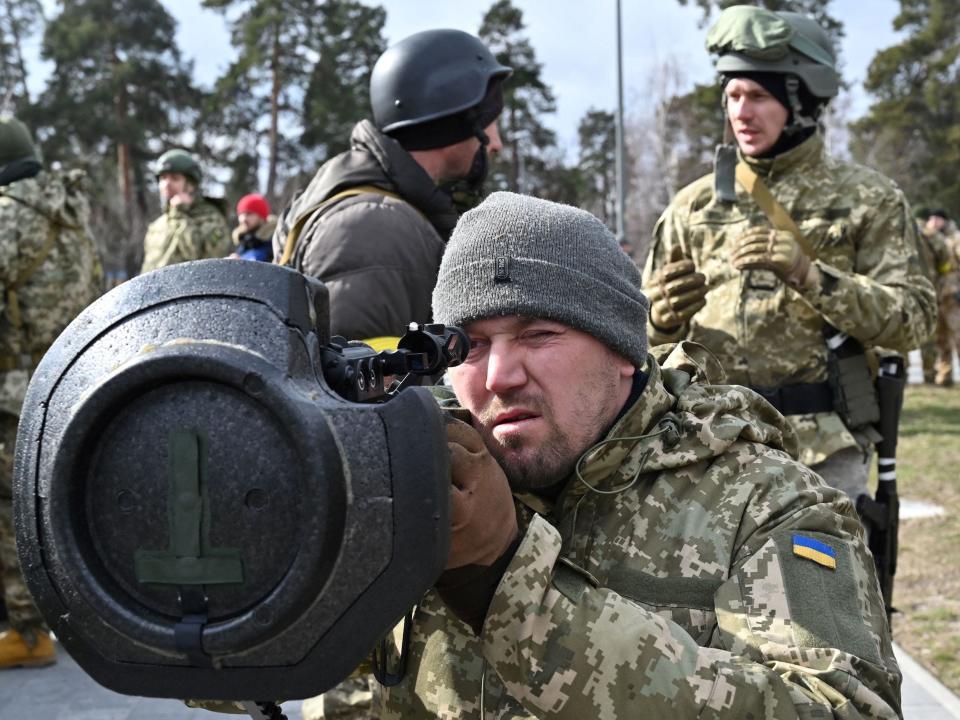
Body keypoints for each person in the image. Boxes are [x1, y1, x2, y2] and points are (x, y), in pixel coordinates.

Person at [352, 191, 897, 718]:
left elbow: (841, 709)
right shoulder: (410, 473)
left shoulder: (764, 502)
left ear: (622, 351)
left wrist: (505, 584)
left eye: (539, 334)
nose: (499, 375)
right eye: (470, 346)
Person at [643, 6, 936, 500]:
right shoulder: (691, 206)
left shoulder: (868, 199)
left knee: (822, 577)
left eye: (758, 95)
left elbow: (915, 319)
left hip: (820, 445)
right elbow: (640, 343)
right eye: (733, 95)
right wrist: (661, 318)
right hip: (708, 441)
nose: (741, 111)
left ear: (801, 103)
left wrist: (814, 277)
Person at [272, 28, 509, 345]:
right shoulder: (375, 227)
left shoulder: (380, 211)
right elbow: (372, 389)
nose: (497, 143)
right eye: (490, 121)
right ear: (455, 120)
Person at [0, 116, 102, 668]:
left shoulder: (5, 219)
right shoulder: (74, 218)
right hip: (71, 384)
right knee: (61, 502)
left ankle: (31, 636)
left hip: (12, 391)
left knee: (9, 509)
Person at [141, 149, 230, 273]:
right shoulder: (158, 225)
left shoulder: (211, 217)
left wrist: (180, 214)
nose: (167, 183)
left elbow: (204, 263)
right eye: (163, 178)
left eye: (175, 178)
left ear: (191, 184)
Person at [230, 193, 276, 262]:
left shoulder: (274, 240)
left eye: (249, 214)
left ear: (261, 217)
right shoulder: (243, 240)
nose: (243, 219)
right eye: (241, 214)